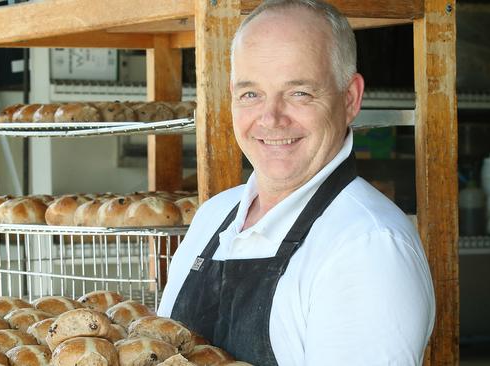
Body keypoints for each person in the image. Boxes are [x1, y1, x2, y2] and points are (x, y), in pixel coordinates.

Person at [157, 0, 435, 365]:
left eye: (299, 93)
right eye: (251, 94)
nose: (271, 118)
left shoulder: (368, 247)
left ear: (350, 98)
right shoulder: (213, 216)